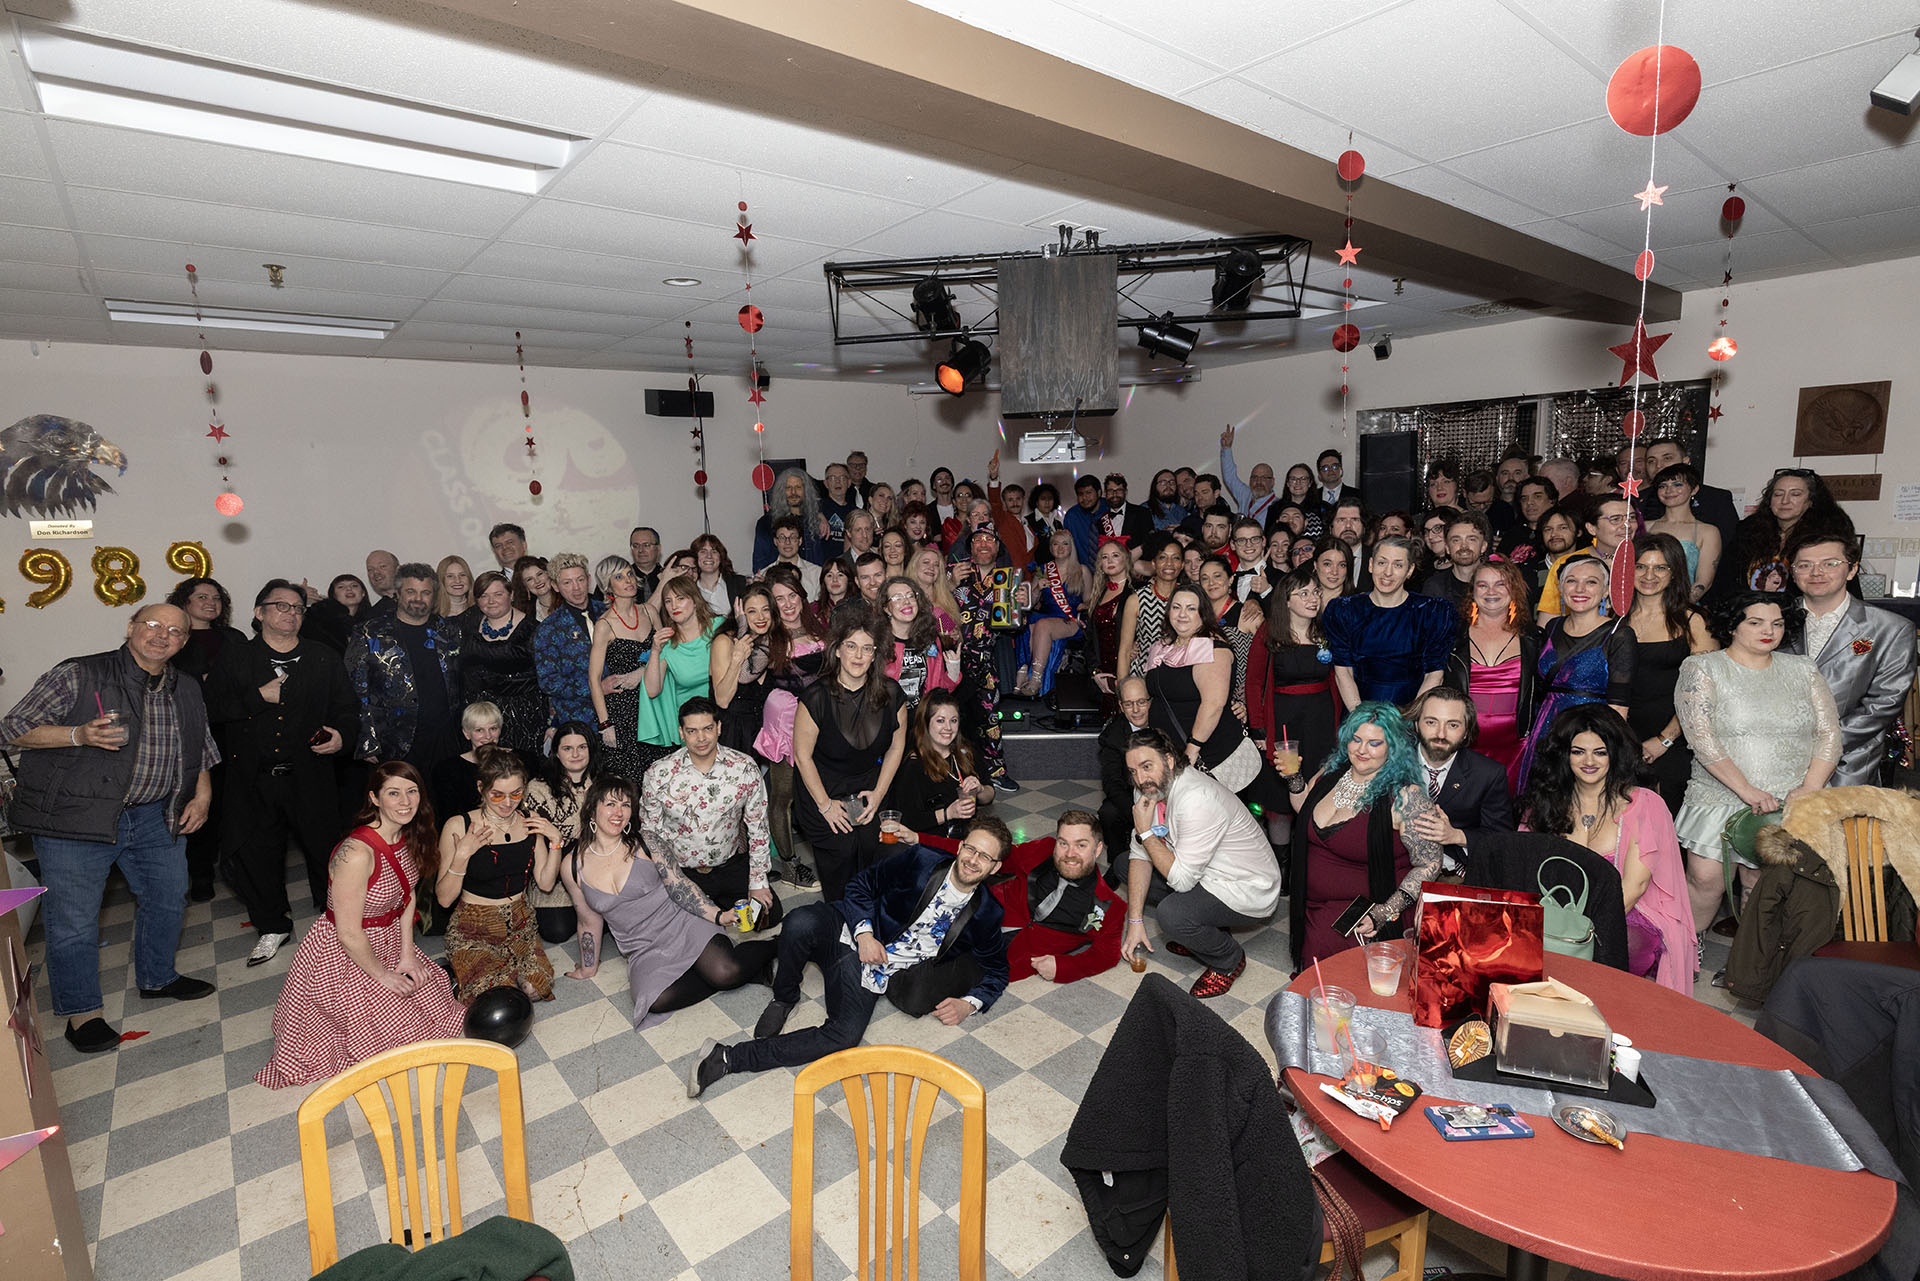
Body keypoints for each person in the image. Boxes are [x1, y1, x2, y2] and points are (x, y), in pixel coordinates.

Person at [4, 603, 220, 1052]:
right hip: (75, 818)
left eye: (175, 631)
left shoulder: (186, 687)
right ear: (131, 628)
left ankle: (158, 978)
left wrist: (202, 793)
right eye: (153, 625)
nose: (162, 636)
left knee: (167, 897)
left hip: (154, 813)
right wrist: (77, 735)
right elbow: (14, 727)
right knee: (74, 921)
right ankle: (82, 1013)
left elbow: (201, 744)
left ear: (184, 641)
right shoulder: (79, 674)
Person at [689, 816, 1012, 1097]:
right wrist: (865, 933)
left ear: (995, 867)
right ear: (959, 846)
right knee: (799, 922)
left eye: (984, 857)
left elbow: (997, 970)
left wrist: (969, 1003)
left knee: (844, 1035)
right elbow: (860, 886)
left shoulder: (986, 913)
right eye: (970, 848)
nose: (973, 860)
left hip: (873, 969)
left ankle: (728, 1057)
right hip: (850, 930)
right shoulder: (921, 860)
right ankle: (784, 997)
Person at [253, 762, 465, 1088]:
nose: (405, 801)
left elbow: (406, 896)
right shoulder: (356, 854)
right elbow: (349, 933)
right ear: (374, 798)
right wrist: (384, 975)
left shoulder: (408, 835)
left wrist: (407, 955)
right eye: (393, 793)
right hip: (345, 952)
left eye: (412, 792)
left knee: (434, 1003)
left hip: (389, 937)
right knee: (394, 1036)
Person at [205, 579, 359, 965]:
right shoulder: (236, 657)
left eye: (297, 608)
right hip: (252, 778)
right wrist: (259, 697)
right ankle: (272, 926)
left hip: (312, 774)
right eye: (281, 606)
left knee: (326, 853)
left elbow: (347, 707)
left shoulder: (322, 657)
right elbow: (213, 709)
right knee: (256, 854)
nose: (291, 613)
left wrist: (342, 736)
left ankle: (336, 926)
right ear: (259, 613)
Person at [1675, 592, 1841, 935]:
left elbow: (1829, 734)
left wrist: (1810, 787)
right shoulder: (1703, 667)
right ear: (1733, 626)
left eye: (1777, 623)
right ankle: (1687, 951)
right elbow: (1700, 737)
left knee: (1763, 885)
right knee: (1706, 880)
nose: (1769, 631)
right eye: (1756, 622)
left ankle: (1751, 964)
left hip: (1787, 799)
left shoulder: (1803, 669)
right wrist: (1746, 790)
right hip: (1720, 794)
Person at [561, 775, 777, 1028]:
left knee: (725, 972)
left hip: (682, 922)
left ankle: (777, 945)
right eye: (610, 804)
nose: (619, 812)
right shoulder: (572, 866)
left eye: (626, 805)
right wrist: (588, 968)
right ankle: (744, 970)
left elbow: (681, 886)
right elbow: (588, 920)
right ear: (592, 809)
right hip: (642, 946)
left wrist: (719, 916)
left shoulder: (646, 842)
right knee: (656, 1000)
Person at [1519, 705, 1696, 993]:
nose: (1589, 761)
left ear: (1616, 753)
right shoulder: (1546, 803)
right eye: (1578, 751)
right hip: (1556, 907)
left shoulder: (1645, 804)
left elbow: (1634, 886)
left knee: (1627, 946)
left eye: (1600, 752)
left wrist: (1581, 931)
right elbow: (1528, 873)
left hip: (1625, 913)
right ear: (1564, 754)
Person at [1277, 703, 1444, 970]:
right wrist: (1293, 777)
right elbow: (1305, 810)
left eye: (1374, 743)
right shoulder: (1331, 773)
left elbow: (1431, 864)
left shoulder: (1406, 797)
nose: (1361, 750)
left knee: (1331, 983)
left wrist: (1386, 911)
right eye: (1356, 739)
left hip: (1362, 909)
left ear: (1393, 748)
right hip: (1309, 903)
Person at [1120, 730, 1282, 997]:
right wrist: (1134, 921)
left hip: (1247, 886)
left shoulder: (1197, 799)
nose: (1140, 778)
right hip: (1203, 873)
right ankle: (1201, 932)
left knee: (1172, 914)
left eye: (1146, 766)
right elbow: (1139, 853)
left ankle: (1228, 959)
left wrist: (1146, 832)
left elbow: (1181, 879)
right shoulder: (1149, 789)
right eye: (1133, 771)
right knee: (1123, 866)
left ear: (1169, 760)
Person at [793, 614, 911, 900]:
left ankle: (872, 924)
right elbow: (802, 755)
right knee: (842, 853)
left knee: (877, 852)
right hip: (823, 787)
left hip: (870, 785)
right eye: (851, 646)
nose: (858, 655)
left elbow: (896, 748)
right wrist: (825, 806)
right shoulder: (816, 697)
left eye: (867, 648)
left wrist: (879, 793)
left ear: (875, 655)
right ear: (837, 650)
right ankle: (840, 924)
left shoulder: (892, 694)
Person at [1785, 531, 1916, 787]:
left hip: (1849, 762)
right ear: (1793, 572)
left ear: (1852, 570)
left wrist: (1824, 744)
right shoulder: (1770, 622)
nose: (1816, 572)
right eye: (1805, 565)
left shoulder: (1890, 628)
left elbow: (1884, 702)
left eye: (1830, 563)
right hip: (1774, 759)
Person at [435, 746, 562, 1001]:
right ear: (481, 787)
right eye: (497, 795)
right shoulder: (459, 824)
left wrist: (555, 841)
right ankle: (459, 969)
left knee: (536, 990)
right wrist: (462, 855)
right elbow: (444, 899)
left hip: (520, 923)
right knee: (499, 997)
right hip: (475, 927)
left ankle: (493, 970)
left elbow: (546, 884)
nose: (507, 803)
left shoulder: (529, 820)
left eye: (516, 794)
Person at [640, 698, 780, 930]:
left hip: (730, 865)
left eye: (707, 728)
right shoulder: (658, 773)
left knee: (767, 916)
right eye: (692, 731)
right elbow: (651, 835)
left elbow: (758, 828)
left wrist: (758, 881)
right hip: (684, 873)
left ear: (719, 728)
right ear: (681, 733)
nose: (701, 738)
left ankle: (719, 905)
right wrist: (664, 882)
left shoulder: (744, 767)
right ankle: (712, 910)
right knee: (681, 931)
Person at [1515, 556, 1635, 792]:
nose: (1580, 589)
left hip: (1590, 735)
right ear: (1561, 589)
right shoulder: (1552, 627)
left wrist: (1602, 751)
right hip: (1546, 731)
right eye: (1571, 581)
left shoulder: (1619, 635)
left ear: (1605, 592)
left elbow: (1619, 708)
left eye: (1591, 582)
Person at [1625, 534, 1720, 814]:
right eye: (1640, 567)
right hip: (1622, 738)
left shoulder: (1694, 621)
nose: (1648, 575)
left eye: (1660, 568)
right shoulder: (1615, 620)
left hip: (1674, 742)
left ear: (1674, 572)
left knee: (1665, 829)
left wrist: (1665, 739)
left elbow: (1702, 692)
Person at [166, 575, 247, 899]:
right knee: (200, 806)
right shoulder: (174, 639)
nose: (210, 602)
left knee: (237, 806)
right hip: (194, 734)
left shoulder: (234, 637)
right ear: (184, 602)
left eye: (216, 598)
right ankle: (200, 876)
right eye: (202, 597)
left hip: (236, 732)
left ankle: (238, 872)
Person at [345, 561, 464, 775]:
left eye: (425, 592)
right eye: (411, 591)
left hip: (446, 738)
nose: (418, 598)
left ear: (434, 596)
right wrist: (367, 738)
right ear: (398, 593)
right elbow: (355, 689)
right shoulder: (369, 633)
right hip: (394, 741)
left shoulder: (450, 631)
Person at [992, 809, 1126, 983]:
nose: (1070, 854)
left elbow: (1106, 956)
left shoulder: (1111, 906)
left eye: (1081, 845)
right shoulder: (1043, 850)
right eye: (1063, 843)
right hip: (978, 912)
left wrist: (1063, 966)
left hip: (1007, 959)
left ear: (1098, 849)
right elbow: (1000, 856)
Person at [1325, 535, 1455, 709]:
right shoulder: (1345, 611)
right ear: (1370, 565)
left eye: (1398, 565)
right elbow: (1343, 672)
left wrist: (1409, 719)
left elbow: (1434, 675)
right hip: (1357, 712)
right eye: (1382, 563)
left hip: (1411, 715)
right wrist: (1361, 719)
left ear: (1409, 571)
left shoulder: (1430, 613)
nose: (1388, 572)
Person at [1445, 559, 1539, 787]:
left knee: (1508, 816)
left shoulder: (1535, 639)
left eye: (1500, 584)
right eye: (1483, 585)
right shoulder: (1451, 636)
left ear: (1513, 589)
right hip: (1463, 746)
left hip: (1516, 748)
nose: (1491, 592)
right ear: (1473, 591)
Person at [1402, 686, 1515, 873]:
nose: (1441, 734)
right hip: (1394, 868)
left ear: (1465, 732)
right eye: (1431, 722)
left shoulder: (1488, 774)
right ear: (1416, 724)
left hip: (1452, 872)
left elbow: (1502, 839)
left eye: (1452, 725)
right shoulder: (1392, 762)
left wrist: (1455, 835)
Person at [1247, 567, 1341, 779]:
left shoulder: (1326, 631)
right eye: (1304, 594)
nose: (1313, 599)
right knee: (1289, 778)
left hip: (1321, 720)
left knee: (1319, 778)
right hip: (1284, 721)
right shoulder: (1269, 632)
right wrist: (1258, 726)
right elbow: (1253, 682)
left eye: (1316, 592)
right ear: (1287, 600)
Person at [950, 523, 1022, 791]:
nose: (982, 543)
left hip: (984, 661)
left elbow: (1014, 627)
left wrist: (1021, 603)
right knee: (950, 718)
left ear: (998, 547)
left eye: (989, 540)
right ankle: (950, 772)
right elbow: (934, 607)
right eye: (977, 539)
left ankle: (996, 771)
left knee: (991, 719)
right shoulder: (954, 573)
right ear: (969, 546)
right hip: (951, 662)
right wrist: (949, 584)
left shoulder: (1007, 579)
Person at [633, 575, 720, 770]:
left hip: (722, 717)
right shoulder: (668, 645)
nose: (674, 606)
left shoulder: (719, 628)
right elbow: (652, 690)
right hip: (691, 726)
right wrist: (655, 650)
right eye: (668, 601)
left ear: (695, 600)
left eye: (680, 598)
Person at [524, 720, 598, 943]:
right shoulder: (538, 787)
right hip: (554, 873)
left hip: (596, 872)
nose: (575, 754)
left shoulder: (605, 783)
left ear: (591, 750)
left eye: (582, 747)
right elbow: (537, 841)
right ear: (556, 752)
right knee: (557, 932)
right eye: (567, 748)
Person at [1636, 438, 1740, 593]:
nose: (1659, 465)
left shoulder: (1714, 505)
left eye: (1667, 458)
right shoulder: (1639, 509)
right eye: (1652, 461)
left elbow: (1717, 568)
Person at [587, 554, 658, 783]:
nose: (628, 580)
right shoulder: (604, 624)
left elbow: (669, 654)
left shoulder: (650, 611)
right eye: (619, 576)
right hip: (624, 711)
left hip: (655, 703)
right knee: (631, 781)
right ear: (608, 585)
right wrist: (605, 724)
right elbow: (594, 678)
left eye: (629, 573)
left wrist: (642, 671)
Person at [886, 690, 994, 839]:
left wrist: (980, 790)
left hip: (967, 836)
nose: (948, 728)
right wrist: (948, 813)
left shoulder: (965, 752)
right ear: (926, 723)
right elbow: (908, 820)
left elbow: (990, 794)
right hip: (931, 842)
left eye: (953, 720)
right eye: (940, 721)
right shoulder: (914, 766)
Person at [1729, 468, 1854, 594]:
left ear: (1811, 500)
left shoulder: (1828, 535)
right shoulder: (1748, 530)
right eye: (1778, 494)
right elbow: (1728, 578)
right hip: (1749, 609)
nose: (1785, 501)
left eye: (1795, 494)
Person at [462, 569, 543, 757]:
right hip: (480, 719)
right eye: (484, 596)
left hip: (524, 715)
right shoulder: (468, 623)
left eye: (498, 594)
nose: (491, 601)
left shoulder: (534, 629)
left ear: (511, 595)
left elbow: (545, 676)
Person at [532, 552, 604, 738]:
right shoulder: (549, 629)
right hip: (579, 721)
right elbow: (548, 682)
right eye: (567, 583)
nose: (576, 588)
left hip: (622, 710)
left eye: (580, 579)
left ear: (588, 579)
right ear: (555, 586)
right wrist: (596, 687)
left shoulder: (609, 612)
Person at [711, 582, 781, 756]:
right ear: (740, 614)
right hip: (730, 734)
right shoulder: (724, 642)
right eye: (751, 611)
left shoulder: (773, 643)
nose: (761, 617)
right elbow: (722, 700)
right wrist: (736, 658)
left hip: (762, 735)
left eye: (765, 609)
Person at [1097, 677, 1156, 882]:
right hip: (1131, 797)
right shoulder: (1112, 736)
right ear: (1121, 707)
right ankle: (1119, 863)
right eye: (1129, 704)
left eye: (1142, 702)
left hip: (1166, 794)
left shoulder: (1165, 724)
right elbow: (1111, 783)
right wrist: (1137, 815)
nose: (1137, 710)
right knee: (1108, 813)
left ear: (1151, 701)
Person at [1018, 527, 1089, 697]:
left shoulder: (1082, 570)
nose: (1060, 547)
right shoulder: (1043, 570)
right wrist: (1036, 588)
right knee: (1029, 624)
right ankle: (1022, 675)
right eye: (1055, 544)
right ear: (1050, 548)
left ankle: (1036, 680)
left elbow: (1090, 600)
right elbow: (1031, 604)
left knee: (1042, 625)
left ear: (1071, 547)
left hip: (1071, 620)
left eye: (1065, 544)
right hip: (1047, 616)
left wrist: (1084, 606)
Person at [1198, 554, 1262, 719]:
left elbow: (1266, 664)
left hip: (1238, 706)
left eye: (1217, 576)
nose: (1211, 583)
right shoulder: (1196, 618)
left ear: (1231, 580)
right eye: (1205, 578)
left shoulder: (1248, 613)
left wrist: (1251, 704)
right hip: (1203, 701)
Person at [1647, 464, 1724, 601]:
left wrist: (1679, 608)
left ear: (1694, 489)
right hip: (1642, 605)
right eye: (1663, 486)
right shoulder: (1645, 527)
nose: (1669, 490)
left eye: (1677, 485)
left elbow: (1704, 581)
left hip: (1682, 608)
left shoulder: (1707, 531)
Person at [878, 575, 955, 710]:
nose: (906, 602)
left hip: (920, 721)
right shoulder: (877, 641)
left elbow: (937, 690)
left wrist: (953, 672)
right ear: (886, 608)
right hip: (885, 719)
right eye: (897, 598)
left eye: (910, 596)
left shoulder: (929, 640)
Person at [1114, 531, 1182, 681]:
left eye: (1175, 558)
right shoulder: (1137, 600)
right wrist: (1123, 688)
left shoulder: (1190, 597)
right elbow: (1125, 650)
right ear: (1153, 563)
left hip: (1180, 681)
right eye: (1162, 557)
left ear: (1182, 564)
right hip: (1142, 678)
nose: (1169, 563)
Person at [754, 467, 823, 572]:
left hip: (811, 583)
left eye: (798, 487)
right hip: (778, 581)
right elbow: (759, 562)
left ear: (806, 490)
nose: (793, 492)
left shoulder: (816, 522)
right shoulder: (766, 523)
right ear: (782, 491)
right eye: (788, 488)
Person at [1421, 511, 1490, 605]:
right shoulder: (1435, 587)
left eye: (1471, 539)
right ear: (1447, 548)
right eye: (1456, 540)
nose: (1464, 546)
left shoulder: (1497, 585)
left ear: (1483, 546)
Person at [1218, 424, 1278, 524]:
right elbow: (1230, 477)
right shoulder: (1245, 495)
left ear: (1272, 482)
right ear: (1250, 480)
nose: (1258, 482)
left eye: (1264, 478)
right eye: (1254, 477)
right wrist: (1226, 448)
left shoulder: (1278, 506)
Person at [300, 573, 370, 654]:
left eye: (354, 585)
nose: (349, 589)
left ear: (363, 593)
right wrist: (299, 595)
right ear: (334, 595)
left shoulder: (373, 622)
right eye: (341, 587)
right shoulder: (317, 616)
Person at [690, 533, 747, 620]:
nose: (709, 556)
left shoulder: (740, 583)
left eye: (714, 551)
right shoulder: (689, 590)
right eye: (703, 551)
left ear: (721, 557)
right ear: (695, 557)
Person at [762, 515, 822, 597]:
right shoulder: (764, 575)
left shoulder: (817, 573)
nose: (787, 542)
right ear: (775, 541)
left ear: (800, 541)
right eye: (782, 538)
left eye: (793, 537)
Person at [1063, 473, 1108, 567]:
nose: (1084, 498)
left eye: (1089, 493)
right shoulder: (1072, 516)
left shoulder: (1110, 509)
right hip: (1083, 572)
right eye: (1080, 494)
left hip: (1111, 569)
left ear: (1099, 493)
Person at [818, 461, 858, 559]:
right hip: (823, 566)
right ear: (826, 483)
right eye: (832, 478)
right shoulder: (817, 507)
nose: (837, 482)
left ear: (849, 483)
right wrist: (818, 514)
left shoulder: (856, 512)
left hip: (847, 566)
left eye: (842, 478)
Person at [1312, 448, 1362, 514]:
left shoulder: (1357, 495)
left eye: (1334, 466)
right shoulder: (1312, 497)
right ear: (1319, 475)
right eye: (1325, 468)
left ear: (1341, 470)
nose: (1330, 470)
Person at [512, 555, 558, 622]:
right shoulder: (526, 615)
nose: (537, 581)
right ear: (525, 586)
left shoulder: (568, 600)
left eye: (540, 574)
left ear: (548, 574)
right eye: (529, 579)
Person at [434, 554, 476, 623]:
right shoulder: (432, 616)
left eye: (462, 575)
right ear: (441, 580)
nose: (458, 580)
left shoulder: (481, 612)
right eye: (450, 576)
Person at [627, 525, 664, 603]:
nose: (640, 550)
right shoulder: (621, 579)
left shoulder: (667, 577)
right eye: (636, 546)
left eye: (646, 545)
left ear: (658, 548)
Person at [363, 549, 400, 620]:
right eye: (370, 569)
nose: (376, 572)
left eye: (382, 566)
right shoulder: (371, 617)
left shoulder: (418, 601)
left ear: (397, 569)